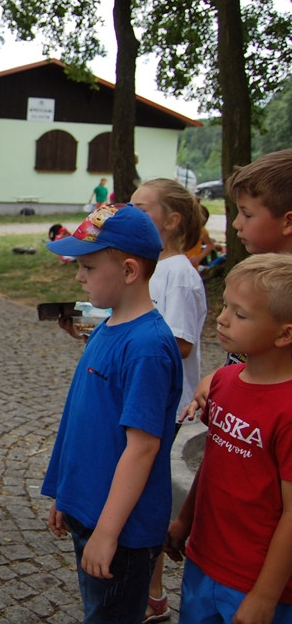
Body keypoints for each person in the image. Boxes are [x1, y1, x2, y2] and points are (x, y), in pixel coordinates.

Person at [43, 204, 183, 624]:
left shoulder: (147, 347)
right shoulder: (108, 326)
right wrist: (66, 493)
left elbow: (141, 449)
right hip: (89, 508)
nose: (78, 277)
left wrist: (107, 532)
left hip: (121, 530)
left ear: (128, 271)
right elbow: (83, 421)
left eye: (87, 267)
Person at [164, 253, 292, 624]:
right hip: (204, 561)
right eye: (224, 306)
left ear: (285, 333)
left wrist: (265, 597)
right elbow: (215, 462)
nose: (221, 318)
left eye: (240, 314)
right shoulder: (222, 383)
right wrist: (184, 523)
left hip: (257, 584)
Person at [130, 179, 208, 623]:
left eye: (142, 207)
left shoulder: (177, 273)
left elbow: (178, 342)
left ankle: (153, 593)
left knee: (147, 495)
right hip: (147, 397)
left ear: (171, 220)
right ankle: (149, 589)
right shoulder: (159, 267)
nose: (132, 212)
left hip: (164, 403)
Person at [184, 149, 292, 421]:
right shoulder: (257, 276)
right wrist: (224, 378)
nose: (235, 224)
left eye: (247, 214)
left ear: (288, 221)